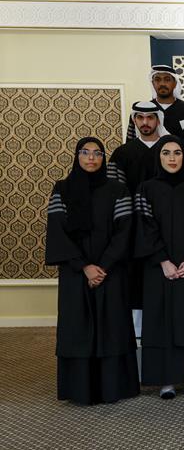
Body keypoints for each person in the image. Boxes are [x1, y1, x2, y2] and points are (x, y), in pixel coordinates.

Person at [45, 137, 138, 405]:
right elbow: (58, 231)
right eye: (85, 153)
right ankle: (81, 390)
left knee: (112, 327)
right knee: (79, 327)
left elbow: (124, 232)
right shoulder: (62, 190)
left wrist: (103, 266)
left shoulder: (118, 190)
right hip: (77, 273)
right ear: (77, 156)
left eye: (97, 153)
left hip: (111, 272)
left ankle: (113, 387)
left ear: (103, 158)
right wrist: (84, 267)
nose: (91, 158)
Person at [134, 135, 184, 399]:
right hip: (159, 268)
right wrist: (163, 260)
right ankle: (166, 379)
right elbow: (145, 226)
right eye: (166, 153)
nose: (172, 158)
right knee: (161, 321)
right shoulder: (146, 189)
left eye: (177, 153)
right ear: (159, 157)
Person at [109, 100, 169, 333]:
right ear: (134, 121)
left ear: (157, 120)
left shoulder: (170, 148)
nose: (145, 123)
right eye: (140, 118)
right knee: (135, 278)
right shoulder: (123, 153)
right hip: (134, 228)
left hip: (165, 226)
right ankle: (136, 331)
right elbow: (117, 192)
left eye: (150, 118)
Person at [124, 65, 184, 140]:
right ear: (153, 83)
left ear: (175, 83)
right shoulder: (142, 110)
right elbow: (130, 142)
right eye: (157, 80)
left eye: (167, 79)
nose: (162, 84)